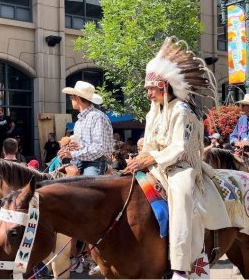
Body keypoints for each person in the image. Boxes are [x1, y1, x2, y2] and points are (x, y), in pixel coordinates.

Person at [126, 37, 231, 279]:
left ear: (164, 86)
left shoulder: (182, 111)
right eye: (147, 89)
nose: (148, 93)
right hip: (156, 165)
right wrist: (139, 159)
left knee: (182, 194)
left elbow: (179, 148)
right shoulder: (154, 111)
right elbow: (150, 143)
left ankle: (181, 267)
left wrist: (151, 158)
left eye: (151, 88)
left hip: (181, 167)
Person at [58, 81, 113, 176]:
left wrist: (72, 154)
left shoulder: (97, 117)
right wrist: (70, 148)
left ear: (77, 98)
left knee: (88, 188)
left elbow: (99, 148)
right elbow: (83, 145)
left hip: (94, 162)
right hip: (79, 160)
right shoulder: (79, 121)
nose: (71, 100)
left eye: (71, 97)